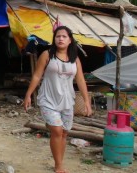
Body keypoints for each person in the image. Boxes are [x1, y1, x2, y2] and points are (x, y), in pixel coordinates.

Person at [24, 26, 92, 173]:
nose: (60, 39)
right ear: (54, 39)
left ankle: (59, 162)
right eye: (58, 36)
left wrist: (87, 101)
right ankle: (58, 166)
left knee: (64, 133)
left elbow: (80, 80)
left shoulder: (75, 59)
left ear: (70, 40)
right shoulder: (47, 55)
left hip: (67, 101)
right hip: (48, 99)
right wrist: (28, 94)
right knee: (57, 130)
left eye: (64, 36)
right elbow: (37, 76)